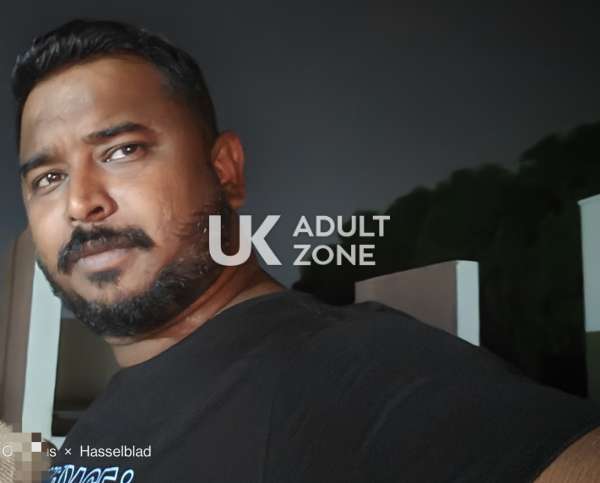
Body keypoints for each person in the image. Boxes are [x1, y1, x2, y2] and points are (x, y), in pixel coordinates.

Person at [12, 18, 600, 483]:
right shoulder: (106, 415)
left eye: (121, 151)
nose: (80, 202)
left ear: (225, 171)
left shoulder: (346, 369)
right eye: (48, 178)